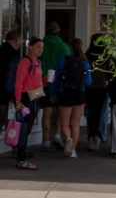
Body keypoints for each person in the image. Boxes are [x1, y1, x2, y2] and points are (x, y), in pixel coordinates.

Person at [50, 38, 92, 158]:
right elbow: (88, 82)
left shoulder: (61, 61)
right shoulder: (86, 63)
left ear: (70, 48)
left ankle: (68, 139)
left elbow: (56, 80)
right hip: (79, 94)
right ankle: (72, 150)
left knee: (64, 124)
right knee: (75, 124)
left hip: (65, 93)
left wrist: (53, 94)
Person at [13, 37, 44, 170]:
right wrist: (18, 100)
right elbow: (19, 82)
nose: (40, 50)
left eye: (42, 47)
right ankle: (21, 159)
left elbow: (36, 81)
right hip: (25, 98)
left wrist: (47, 79)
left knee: (28, 128)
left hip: (35, 96)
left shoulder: (38, 62)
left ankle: (22, 152)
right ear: (30, 47)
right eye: (38, 47)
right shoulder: (25, 62)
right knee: (23, 129)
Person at [40, 22, 70, 151]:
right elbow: (68, 65)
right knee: (60, 112)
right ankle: (57, 135)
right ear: (58, 32)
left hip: (44, 82)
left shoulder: (41, 45)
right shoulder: (63, 46)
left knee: (46, 113)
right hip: (59, 83)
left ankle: (46, 141)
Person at [84, 34, 108, 151]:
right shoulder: (106, 56)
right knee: (99, 114)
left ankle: (90, 138)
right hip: (101, 87)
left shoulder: (87, 55)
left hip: (89, 87)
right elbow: (109, 72)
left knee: (90, 114)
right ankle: (97, 137)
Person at [1, 30, 22, 118]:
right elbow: (15, 77)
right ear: (16, 40)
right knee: (10, 125)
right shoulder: (13, 55)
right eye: (20, 40)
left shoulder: (1, 49)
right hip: (7, 93)